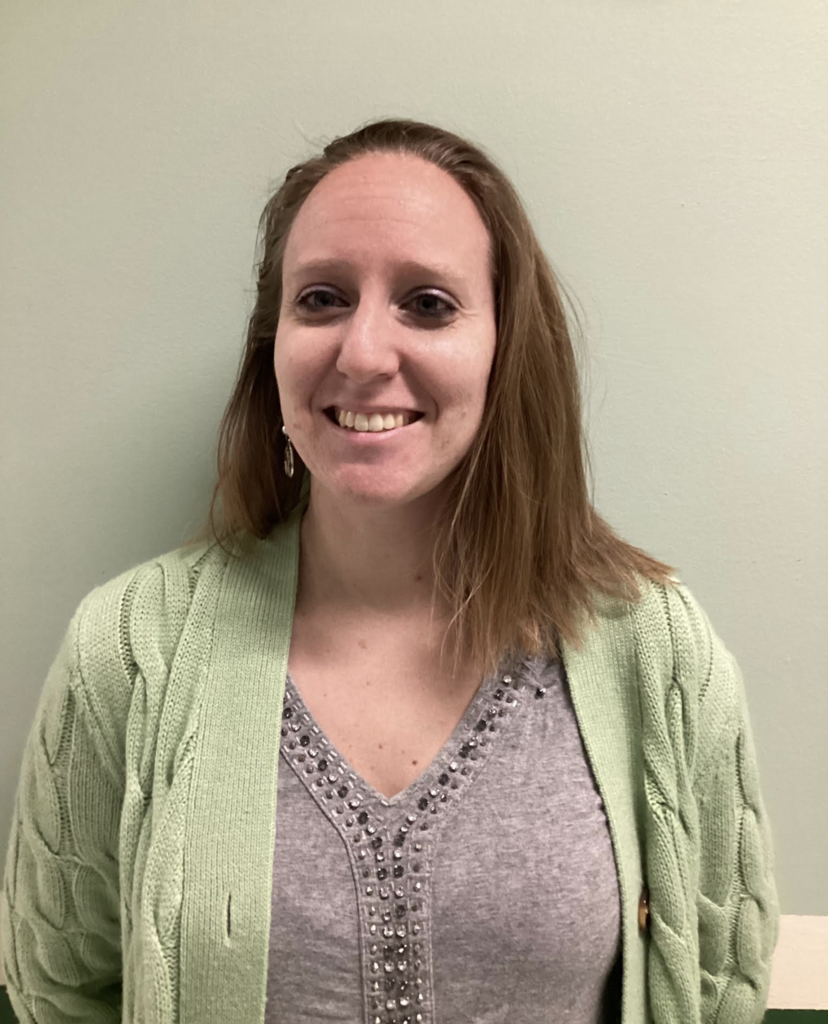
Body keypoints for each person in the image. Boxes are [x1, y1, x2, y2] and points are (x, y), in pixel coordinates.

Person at [2, 117, 779, 1024]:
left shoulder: (655, 650)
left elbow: (719, 986)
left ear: (507, 349)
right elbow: (60, 990)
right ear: (272, 347)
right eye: (322, 299)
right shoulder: (130, 652)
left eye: (429, 304)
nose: (364, 353)